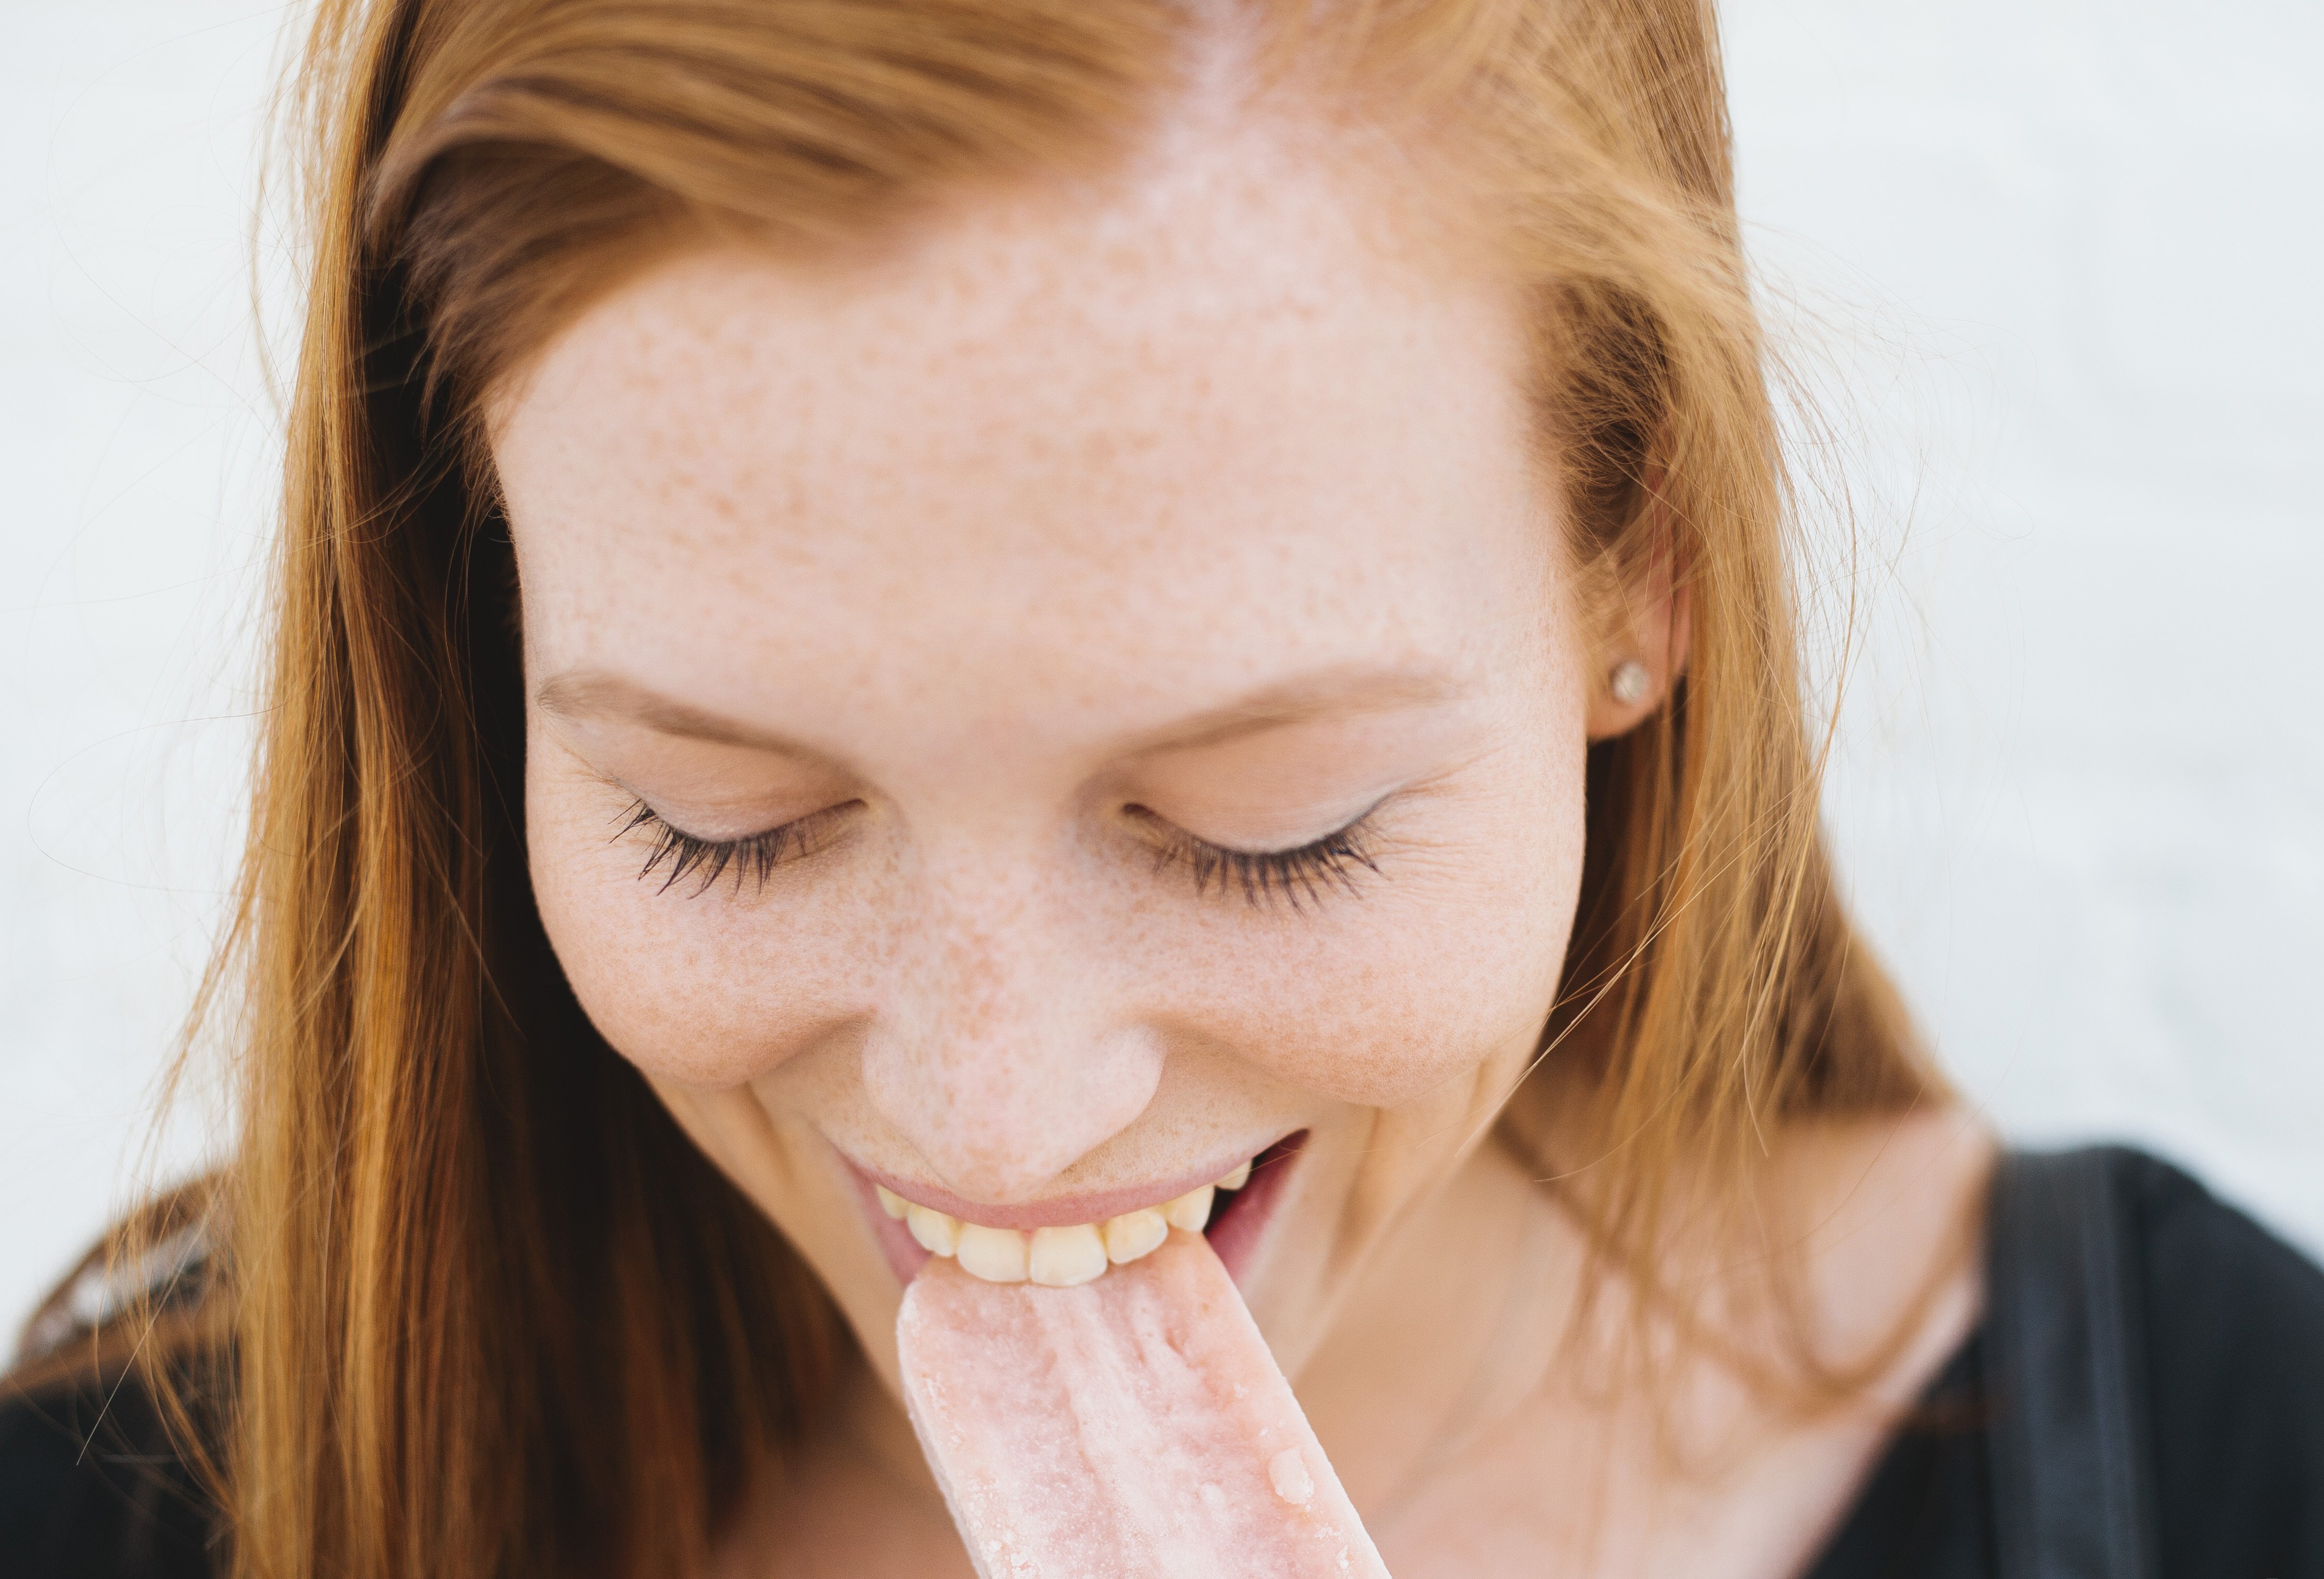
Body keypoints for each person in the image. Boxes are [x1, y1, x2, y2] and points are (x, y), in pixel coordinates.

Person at [4, 0, 2319, 1574]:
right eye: (718, 818)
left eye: (1264, 826)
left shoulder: (2219, 1468)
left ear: (1644, 571)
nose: (997, 1122)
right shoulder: (125, 1502)